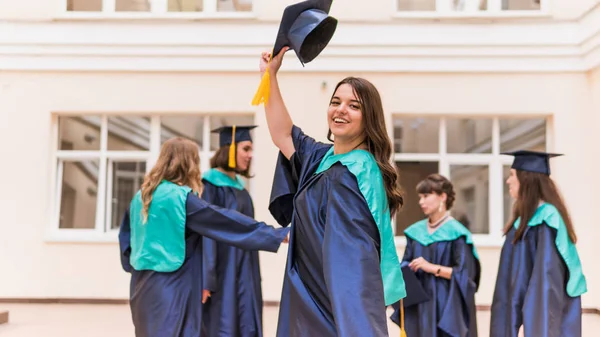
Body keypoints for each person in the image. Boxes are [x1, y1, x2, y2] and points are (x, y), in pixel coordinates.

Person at [259, 35, 407, 337]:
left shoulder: (354, 175)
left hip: (331, 307)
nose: (340, 110)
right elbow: (282, 133)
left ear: (369, 118)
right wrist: (269, 75)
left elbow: (355, 262)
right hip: (308, 296)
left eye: (354, 106)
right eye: (335, 102)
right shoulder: (322, 159)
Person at [117, 137, 289, 337]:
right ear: (189, 164)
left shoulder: (141, 197)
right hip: (174, 289)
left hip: (141, 288)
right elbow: (225, 221)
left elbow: (125, 243)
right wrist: (275, 234)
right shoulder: (180, 199)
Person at [490, 150, 587, 337]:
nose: (508, 181)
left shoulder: (546, 221)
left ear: (526, 179)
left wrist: (534, 327)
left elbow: (545, 286)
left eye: (512, 175)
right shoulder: (524, 219)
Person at [390, 174, 480, 337]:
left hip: (446, 306)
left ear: (442, 197)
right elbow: (405, 264)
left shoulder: (457, 234)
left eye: (426, 196)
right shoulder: (415, 232)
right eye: (420, 197)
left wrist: (431, 268)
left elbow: (465, 275)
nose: (421, 202)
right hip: (420, 305)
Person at [201, 125, 265, 337]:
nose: (250, 155)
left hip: (246, 267)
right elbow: (207, 232)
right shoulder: (209, 185)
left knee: (246, 321)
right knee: (224, 323)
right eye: (246, 149)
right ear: (229, 149)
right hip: (223, 269)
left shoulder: (238, 185)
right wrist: (207, 278)